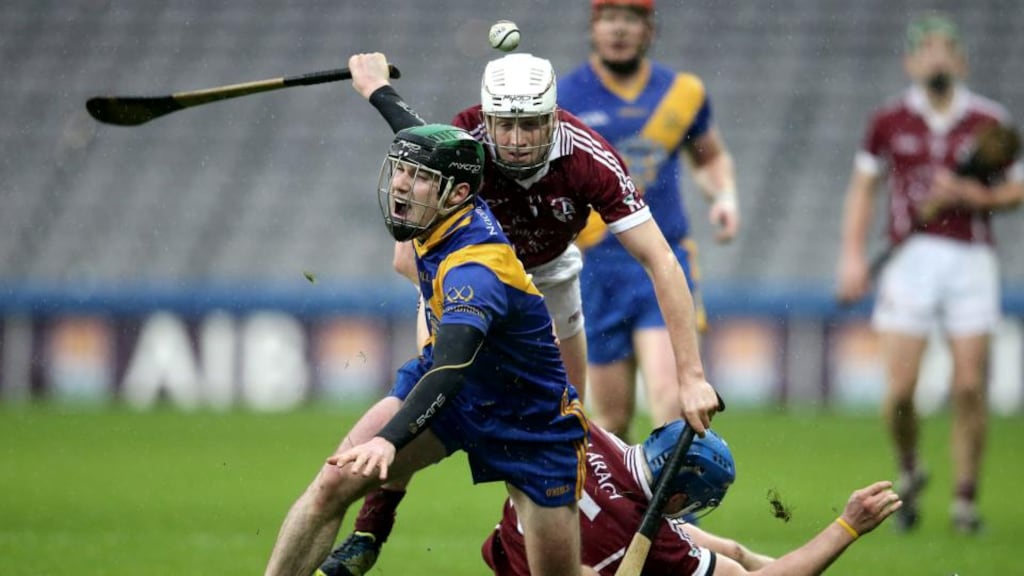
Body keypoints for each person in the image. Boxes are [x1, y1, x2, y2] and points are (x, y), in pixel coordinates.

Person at [314, 51, 723, 576]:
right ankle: (371, 529)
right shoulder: (467, 137)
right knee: (430, 383)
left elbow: (663, 260)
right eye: (503, 124)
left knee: (562, 424)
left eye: (530, 125)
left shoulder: (589, 157)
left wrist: (691, 377)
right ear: (486, 119)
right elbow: (413, 137)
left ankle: (548, 534)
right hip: (467, 276)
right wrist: (374, 88)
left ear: (553, 118)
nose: (514, 139)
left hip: (548, 278)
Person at [264, 124, 589, 576]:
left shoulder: (474, 270)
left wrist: (387, 441)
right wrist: (377, 90)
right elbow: (426, 139)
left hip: (530, 423)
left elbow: (449, 368)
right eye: (399, 168)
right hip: (459, 402)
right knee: (331, 486)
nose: (399, 182)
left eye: (415, 176)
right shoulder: (437, 209)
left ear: (456, 193)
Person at [836, 12, 1023, 534]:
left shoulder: (989, 118)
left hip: (971, 259)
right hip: (909, 260)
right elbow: (863, 188)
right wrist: (852, 255)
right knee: (898, 393)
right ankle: (911, 467)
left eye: (946, 48)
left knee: (968, 386)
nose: (936, 56)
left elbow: (1017, 188)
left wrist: (973, 194)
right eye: (927, 48)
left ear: (960, 60)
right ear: (911, 61)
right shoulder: (889, 120)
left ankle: (965, 500)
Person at [558, 0, 741, 439]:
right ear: (594, 28)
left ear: (649, 29)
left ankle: (678, 511)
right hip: (593, 267)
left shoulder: (682, 93)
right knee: (610, 418)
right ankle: (628, 507)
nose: (619, 30)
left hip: (661, 261)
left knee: (672, 402)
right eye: (610, 20)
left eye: (631, 20)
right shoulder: (564, 96)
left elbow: (710, 156)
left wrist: (724, 196)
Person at [484, 420, 902, 575]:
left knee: (733, 553)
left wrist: (744, 557)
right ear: (678, 496)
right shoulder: (653, 542)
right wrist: (847, 526)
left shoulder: (588, 433)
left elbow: (733, 553)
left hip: (515, 551)